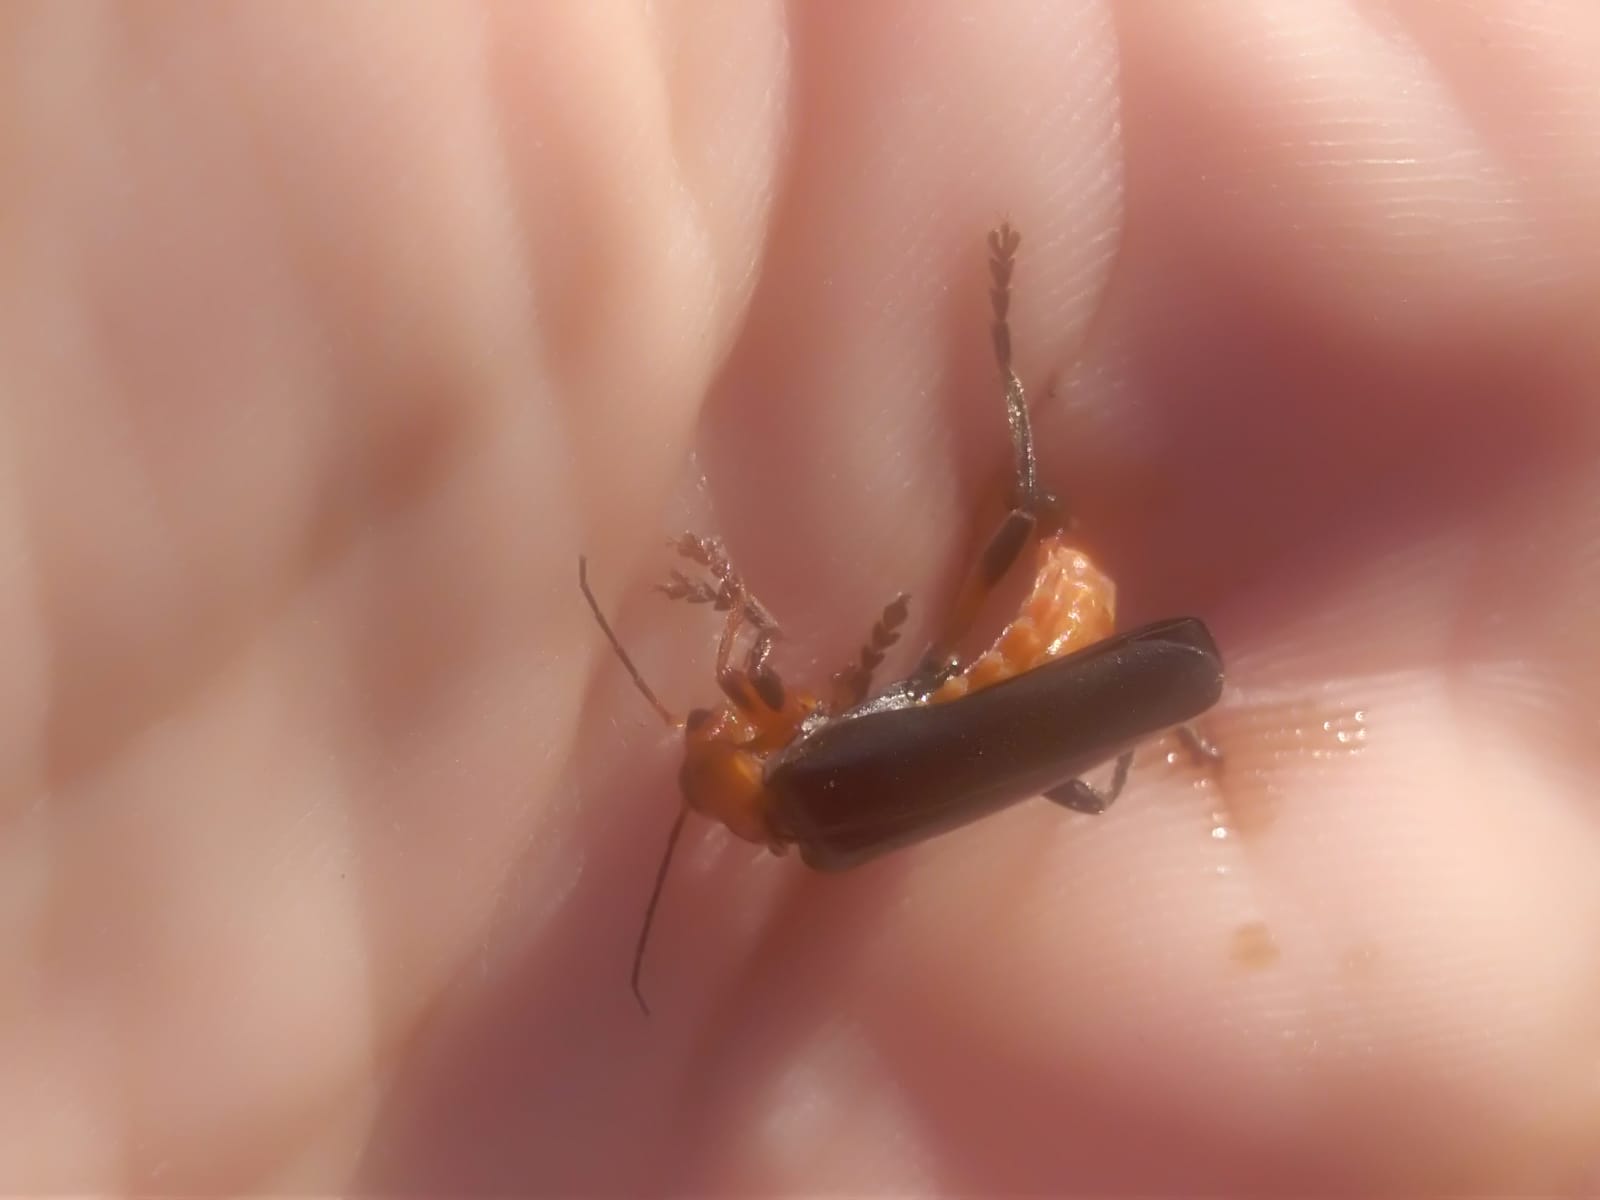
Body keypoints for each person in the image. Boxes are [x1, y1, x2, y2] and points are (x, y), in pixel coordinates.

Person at [3, 4, 1597, 1193]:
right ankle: (1129, 658)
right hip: (1080, 656)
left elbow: (875, 679)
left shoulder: (819, 818)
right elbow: (865, 672)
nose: (715, 714)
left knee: (1052, 655)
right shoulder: (818, 784)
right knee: (1038, 572)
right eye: (715, 732)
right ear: (748, 763)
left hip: (1085, 684)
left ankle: (1150, 710)